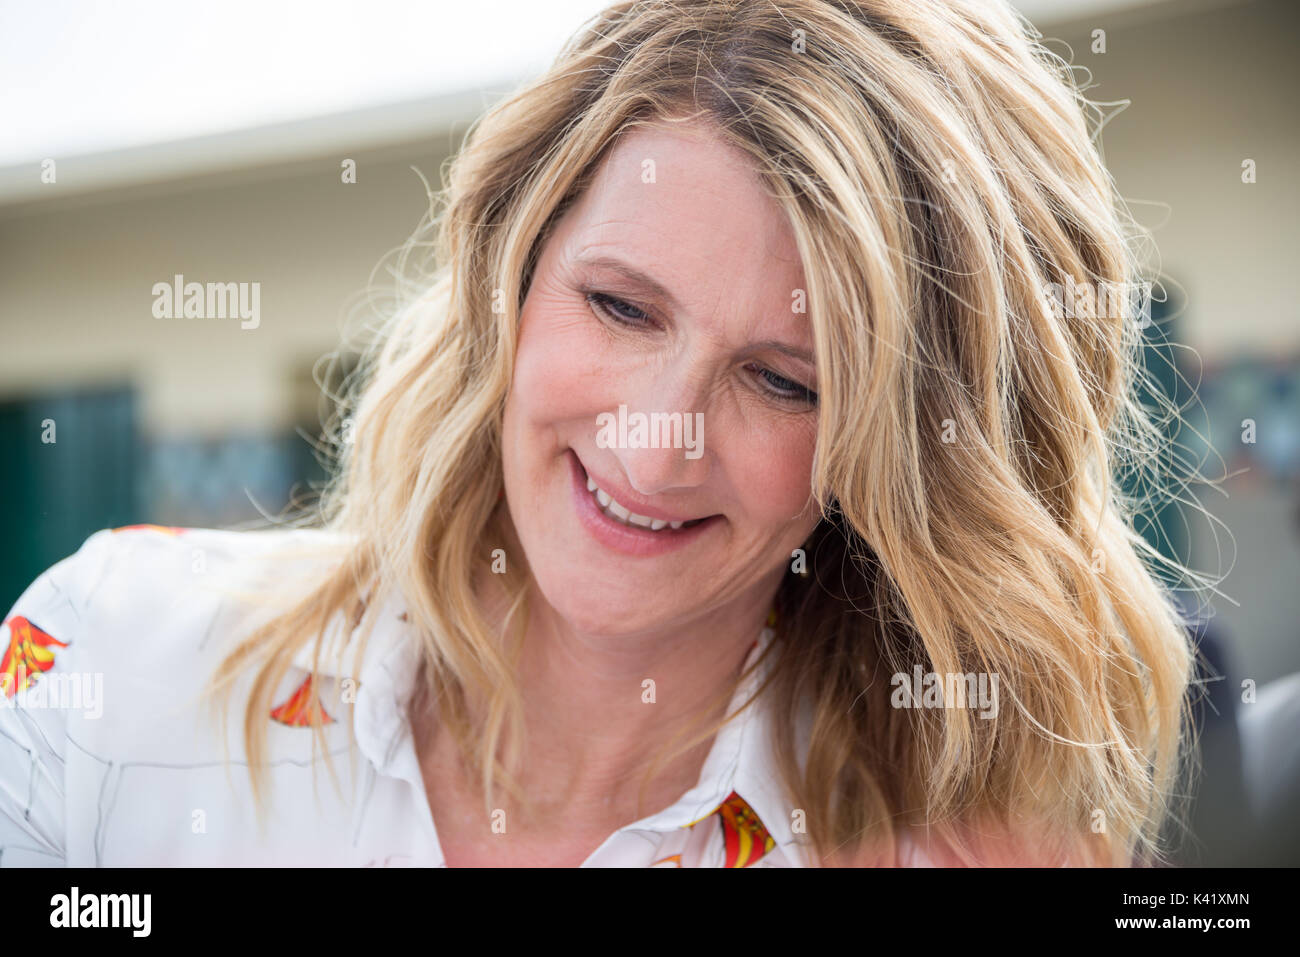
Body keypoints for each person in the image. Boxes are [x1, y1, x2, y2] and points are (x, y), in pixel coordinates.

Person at [0, 0, 1199, 867]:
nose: (654, 444)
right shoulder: (108, 666)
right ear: (507, 275)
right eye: (620, 307)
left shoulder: (953, 855)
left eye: (785, 382)